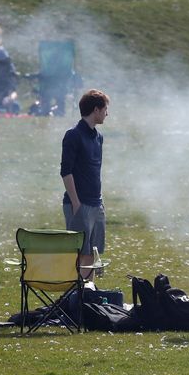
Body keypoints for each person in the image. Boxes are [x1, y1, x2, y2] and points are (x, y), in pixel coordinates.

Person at [60, 89, 110, 280]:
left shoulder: (99, 137)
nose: (107, 113)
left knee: (92, 251)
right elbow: (66, 171)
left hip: (96, 203)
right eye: (105, 109)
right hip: (79, 203)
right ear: (96, 110)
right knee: (80, 252)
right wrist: (76, 203)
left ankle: (89, 293)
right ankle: (79, 296)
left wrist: (99, 202)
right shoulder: (73, 135)